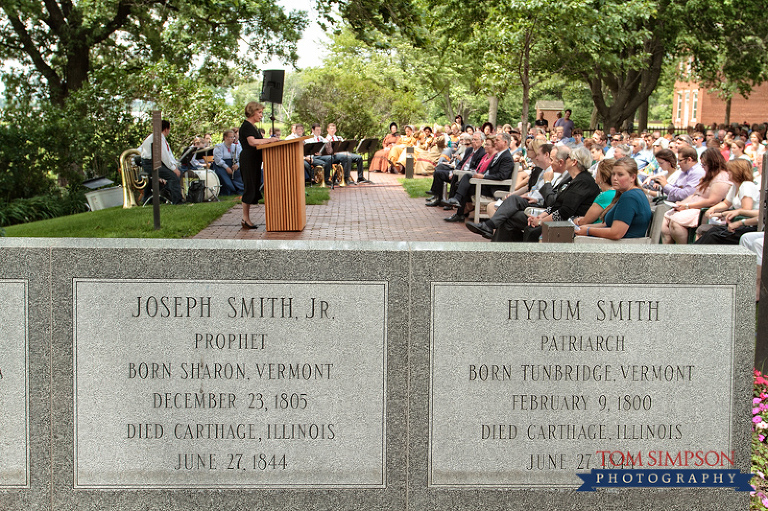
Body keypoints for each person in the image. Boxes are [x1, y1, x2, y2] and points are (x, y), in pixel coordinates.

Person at [466, 146, 599, 241]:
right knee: (510, 216)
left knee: (509, 219)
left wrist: (540, 220)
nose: (565, 160)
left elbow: (565, 211)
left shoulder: (583, 182)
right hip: (552, 216)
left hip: (567, 224)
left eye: (568, 158)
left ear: (574, 162)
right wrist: (541, 216)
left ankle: (502, 253)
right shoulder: (576, 180)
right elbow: (557, 205)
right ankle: (503, 254)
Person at [661, 147, 731, 244]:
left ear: (713, 163)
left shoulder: (721, 177)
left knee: (676, 222)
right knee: (666, 217)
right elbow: (694, 195)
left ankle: (684, 254)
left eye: (704, 164)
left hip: (701, 209)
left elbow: (713, 201)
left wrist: (687, 206)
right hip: (691, 206)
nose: (702, 167)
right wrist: (681, 204)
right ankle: (667, 252)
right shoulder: (707, 176)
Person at [574, 157, 652, 239]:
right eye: (613, 174)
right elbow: (608, 225)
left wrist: (588, 230)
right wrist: (586, 227)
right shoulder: (634, 193)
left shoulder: (629, 197)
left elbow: (616, 233)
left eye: (620, 175)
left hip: (621, 248)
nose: (615, 178)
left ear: (633, 177)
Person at [444, 132, 515, 222]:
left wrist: (483, 176)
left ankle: (458, 206)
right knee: (464, 181)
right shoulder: (499, 155)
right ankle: (459, 210)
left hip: (495, 187)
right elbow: (490, 171)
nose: (495, 142)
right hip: (487, 184)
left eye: (497, 140)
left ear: (505, 142)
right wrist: (480, 175)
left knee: (464, 183)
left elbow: (502, 175)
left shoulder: (507, 157)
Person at [695, 159, 760, 244]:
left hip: (748, 225)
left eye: (729, 171)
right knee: (711, 230)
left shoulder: (746, 185)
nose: (727, 173)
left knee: (713, 235)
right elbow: (726, 203)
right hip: (736, 222)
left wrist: (722, 214)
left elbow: (746, 209)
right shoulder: (735, 186)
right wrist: (712, 209)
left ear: (737, 172)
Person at [426, 132, 486, 206]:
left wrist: (457, 172)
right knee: (438, 173)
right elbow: (461, 164)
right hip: (458, 171)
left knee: (455, 175)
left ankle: (451, 201)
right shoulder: (469, 150)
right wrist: (454, 171)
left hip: (467, 175)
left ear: (482, 141)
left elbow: (475, 168)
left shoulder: (482, 153)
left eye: (475, 140)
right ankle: (438, 198)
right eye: (472, 139)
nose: (473, 141)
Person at [239, 101, 273, 229]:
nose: (261, 115)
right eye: (259, 112)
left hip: (255, 160)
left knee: (253, 186)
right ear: (252, 112)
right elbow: (252, 142)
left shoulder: (252, 126)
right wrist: (270, 140)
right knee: (249, 188)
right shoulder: (247, 126)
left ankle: (246, 218)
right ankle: (245, 218)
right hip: (248, 160)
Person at [139, 119, 183, 204]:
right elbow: (164, 156)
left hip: (152, 163)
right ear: (166, 129)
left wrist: (174, 164)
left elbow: (168, 155)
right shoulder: (158, 138)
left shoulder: (156, 137)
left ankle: (147, 199)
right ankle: (177, 201)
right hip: (150, 164)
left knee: (172, 174)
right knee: (173, 177)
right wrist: (174, 169)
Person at [574, 158, 617, 226]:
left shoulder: (604, 196)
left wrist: (578, 220)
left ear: (603, 177)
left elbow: (585, 221)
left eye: (597, 172)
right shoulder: (618, 192)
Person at [211, 130, 244, 196]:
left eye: (233, 137)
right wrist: (226, 167)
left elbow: (240, 158)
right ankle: (229, 190)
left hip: (233, 164)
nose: (232, 139)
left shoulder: (236, 147)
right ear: (225, 137)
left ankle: (240, 190)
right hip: (221, 166)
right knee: (223, 174)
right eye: (230, 137)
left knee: (239, 173)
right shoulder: (218, 147)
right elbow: (218, 160)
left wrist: (237, 165)